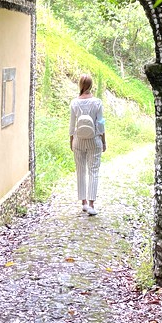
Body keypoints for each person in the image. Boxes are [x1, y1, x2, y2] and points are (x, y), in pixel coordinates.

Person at [69, 73, 107, 216]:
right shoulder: (97, 102)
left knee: (81, 171)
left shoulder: (74, 103)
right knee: (93, 171)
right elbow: (101, 123)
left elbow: (72, 124)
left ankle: (83, 202)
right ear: (91, 85)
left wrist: (71, 140)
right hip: (94, 140)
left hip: (78, 140)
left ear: (80, 85)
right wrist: (103, 140)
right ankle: (91, 205)